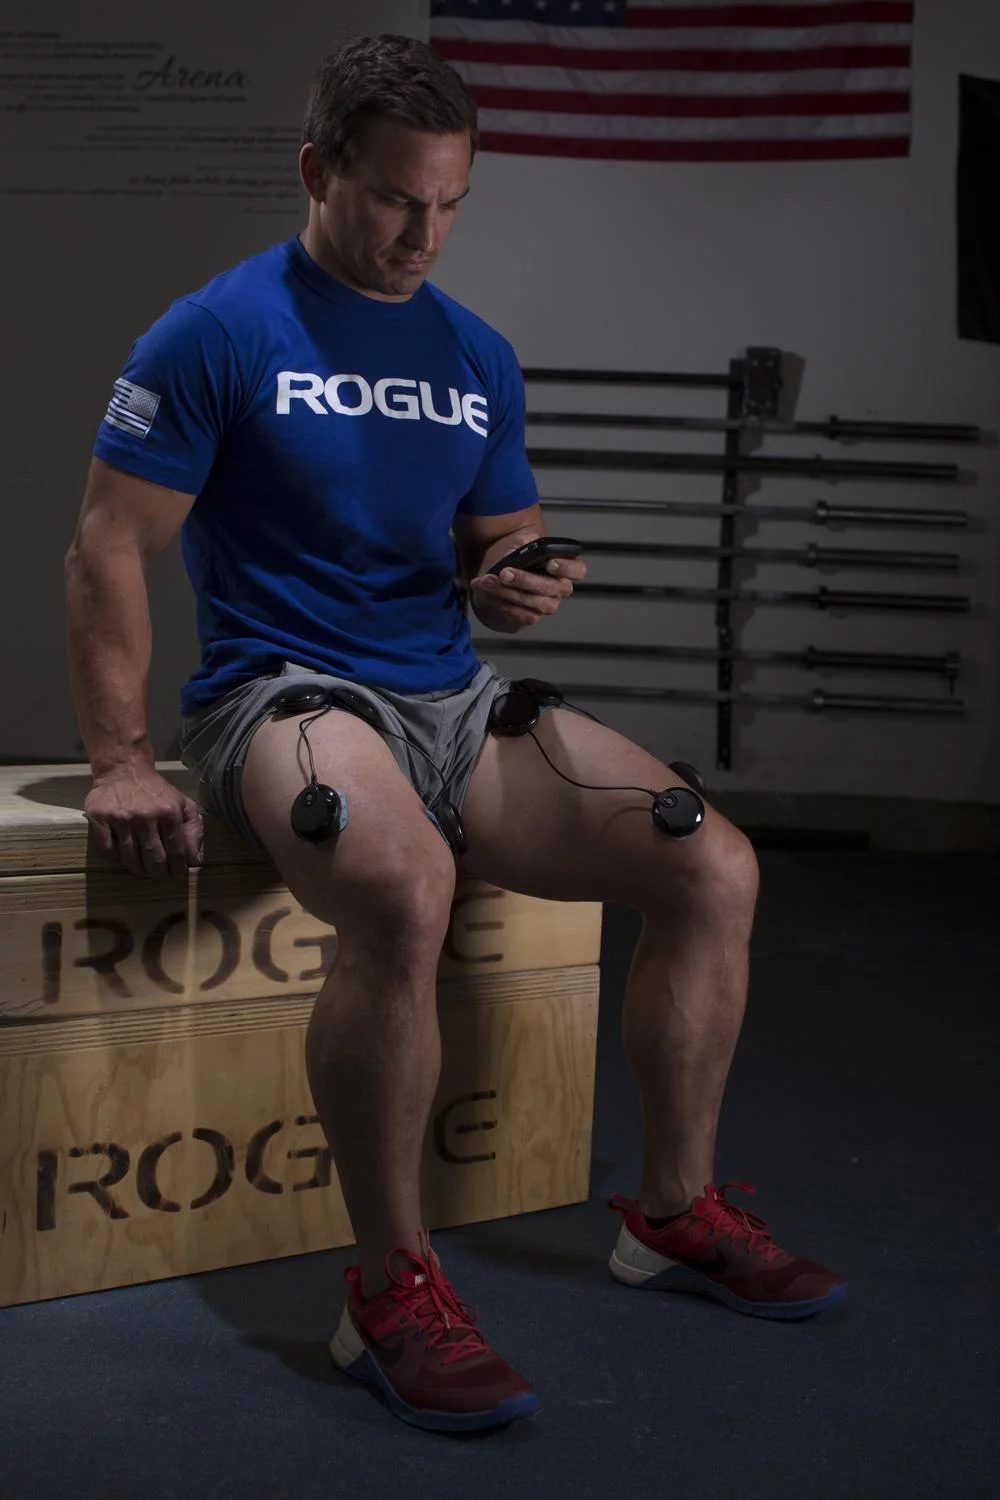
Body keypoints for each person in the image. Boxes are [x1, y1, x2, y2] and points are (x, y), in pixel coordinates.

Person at [64, 34, 845, 1436]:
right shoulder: (215, 331)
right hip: (285, 697)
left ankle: (672, 1214)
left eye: (449, 204)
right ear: (318, 171)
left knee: (714, 863)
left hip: (451, 702)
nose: (423, 235)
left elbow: (501, 539)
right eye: (393, 200)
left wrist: (515, 578)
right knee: (405, 883)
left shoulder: (474, 351)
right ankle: (389, 1292)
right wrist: (120, 759)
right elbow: (107, 547)